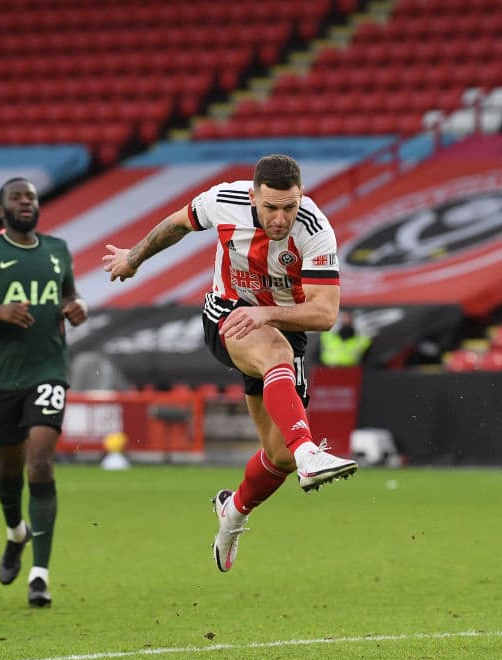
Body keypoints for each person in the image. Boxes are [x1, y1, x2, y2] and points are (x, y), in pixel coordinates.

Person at [102, 154, 358, 573]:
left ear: (301, 198)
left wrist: (267, 313)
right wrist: (134, 257)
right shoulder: (224, 200)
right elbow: (177, 223)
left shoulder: (314, 229)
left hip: (280, 323)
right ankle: (310, 450)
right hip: (226, 311)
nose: (280, 218)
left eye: (289, 207)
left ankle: (233, 511)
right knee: (277, 364)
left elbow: (325, 314)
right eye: (271, 206)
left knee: (279, 456)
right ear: (254, 195)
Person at [0, 177, 88, 607]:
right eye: (17, 197)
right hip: (2, 376)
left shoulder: (57, 249)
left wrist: (77, 307)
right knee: (8, 470)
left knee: (39, 464)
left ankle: (40, 575)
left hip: (49, 369)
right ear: (2, 210)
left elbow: (70, 299)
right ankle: (15, 532)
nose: (26, 202)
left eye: (31, 197)